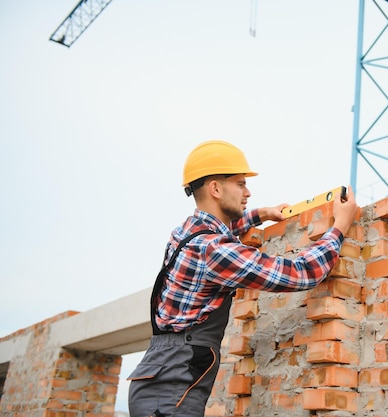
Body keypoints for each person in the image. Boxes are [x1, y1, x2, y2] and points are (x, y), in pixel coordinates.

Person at [127, 140, 358, 417]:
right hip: (171, 389)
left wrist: (260, 215)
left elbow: (221, 228)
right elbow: (300, 273)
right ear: (215, 188)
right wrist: (340, 226)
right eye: (240, 183)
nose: (247, 192)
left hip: (161, 377)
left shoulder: (185, 232)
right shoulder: (214, 251)